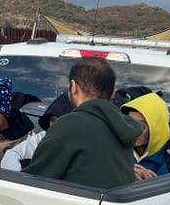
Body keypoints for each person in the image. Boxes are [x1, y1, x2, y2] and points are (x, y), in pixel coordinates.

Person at [25, 58, 144, 187]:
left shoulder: (68, 125)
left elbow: (34, 180)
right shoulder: (125, 128)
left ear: (74, 87)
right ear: (113, 93)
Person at [0, 93, 73, 171]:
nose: (56, 125)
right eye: (52, 120)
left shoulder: (79, 143)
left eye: (62, 120)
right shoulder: (43, 136)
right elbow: (12, 154)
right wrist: (18, 177)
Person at [121, 92, 170, 180]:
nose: (134, 130)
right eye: (130, 122)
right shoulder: (113, 151)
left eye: (142, 125)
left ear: (157, 128)